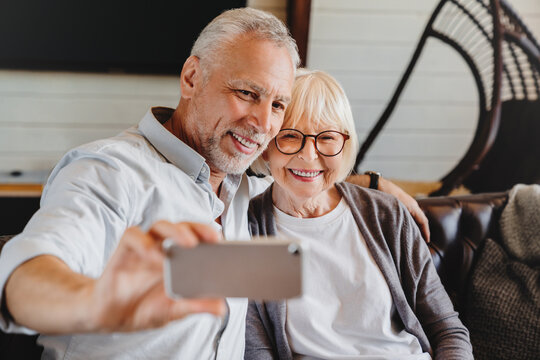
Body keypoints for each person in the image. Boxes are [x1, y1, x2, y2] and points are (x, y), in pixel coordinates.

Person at [0, 8, 429, 360]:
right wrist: (90, 303)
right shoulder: (111, 171)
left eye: (277, 104)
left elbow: (303, 175)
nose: (263, 124)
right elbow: (28, 271)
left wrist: (368, 182)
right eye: (246, 93)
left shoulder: (245, 188)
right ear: (191, 78)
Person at [245, 69, 473, 359]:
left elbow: (446, 328)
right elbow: (256, 350)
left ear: (345, 144)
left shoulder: (387, 215)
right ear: (266, 147)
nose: (309, 155)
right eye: (290, 136)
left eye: (327, 137)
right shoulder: (245, 229)